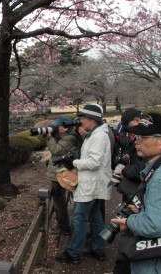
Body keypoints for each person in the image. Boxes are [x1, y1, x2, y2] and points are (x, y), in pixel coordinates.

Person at [56, 104, 112, 263]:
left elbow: (94, 162)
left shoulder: (98, 136)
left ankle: (73, 253)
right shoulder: (96, 134)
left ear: (92, 119)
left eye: (83, 118)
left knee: (79, 218)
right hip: (94, 183)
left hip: (91, 183)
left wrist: (74, 162)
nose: (81, 121)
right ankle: (98, 249)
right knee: (95, 217)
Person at [111, 112, 161, 274]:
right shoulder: (157, 170)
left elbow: (154, 225)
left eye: (144, 137)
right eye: (137, 136)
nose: (137, 141)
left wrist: (129, 222)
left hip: (153, 264)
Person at [111, 108, 147, 274]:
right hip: (137, 197)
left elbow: (140, 169)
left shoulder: (160, 173)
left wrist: (125, 171)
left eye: (141, 137)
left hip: (138, 195)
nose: (137, 141)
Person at [43, 116, 80, 235]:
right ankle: (62, 225)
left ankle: (64, 227)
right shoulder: (64, 136)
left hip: (59, 174)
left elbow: (56, 150)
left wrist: (49, 138)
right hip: (56, 173)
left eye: (57, 127)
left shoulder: (70, 138)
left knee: (59, 202)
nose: (55, 129)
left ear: (65, 128)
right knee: (58, 201)